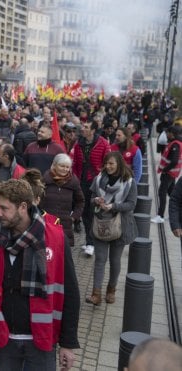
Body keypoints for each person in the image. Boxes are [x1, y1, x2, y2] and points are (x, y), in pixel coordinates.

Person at [0, 179, 80, 371]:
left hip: (42, 340)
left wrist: (67, 343)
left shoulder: (55, 239)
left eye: (4, 208)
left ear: (23, 207)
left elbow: (71, 293)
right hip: (4, 339)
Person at [86, 152, 137, 306]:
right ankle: (96, 294)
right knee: (100, 260)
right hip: (101, 223)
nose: (108, 167)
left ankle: (111, 289)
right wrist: (96, 200)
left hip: (119, 225)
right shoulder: (99, 179)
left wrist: (113, 206)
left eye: (111, 164)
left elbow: (131, 204)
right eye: (106, 163)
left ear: (119, 164)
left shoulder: (129, 182)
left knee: (115, 261)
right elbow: (91, 199)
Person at [72, 120, 110, 256]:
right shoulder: (79, 143)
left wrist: (102, 178)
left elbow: (107, 163)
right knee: (84, 212)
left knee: (91, 212)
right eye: (83, 126)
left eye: (86, 127)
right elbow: (75, 163)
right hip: (81, 181)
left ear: (93, 130)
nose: (83, 129)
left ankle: (91, 243)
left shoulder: (103, 143)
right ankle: (90, 241)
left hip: (96, 182)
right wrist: (75, 179)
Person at [39, 153, 85, 247]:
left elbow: (80, 201)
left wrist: (74, 216)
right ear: (54, 165)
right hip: (47, 224)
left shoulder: (73, 182)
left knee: (63, 256)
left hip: (65, 225)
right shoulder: (44, 181)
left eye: (67, 167)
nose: (65, 169)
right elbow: (37, 200)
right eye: (62, 166)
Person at [152, 125, 182, 224]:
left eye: (167, 133)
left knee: (162, 193)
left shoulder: (175, 145)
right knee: (173, 194)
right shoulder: (176, 143)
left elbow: (174, 161)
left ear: (172, 134)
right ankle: (178, 214)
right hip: (171, 174)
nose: (166, 134)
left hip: (169, 173)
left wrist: (164, 169)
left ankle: (160, 216)